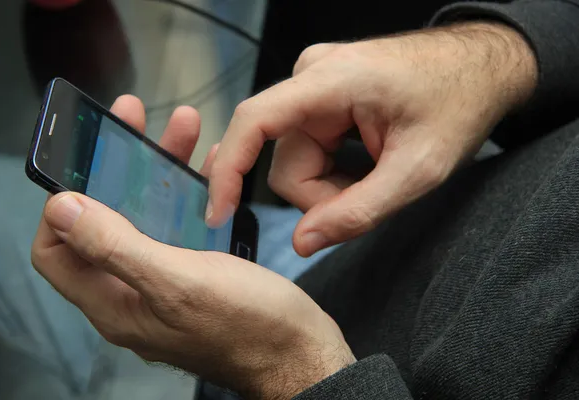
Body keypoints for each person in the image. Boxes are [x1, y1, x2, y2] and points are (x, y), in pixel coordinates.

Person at [31, 0, 579, 398]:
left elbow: (286, 359)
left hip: (280, 355)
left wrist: (287, 369)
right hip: (337, 252)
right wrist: (497, 60)